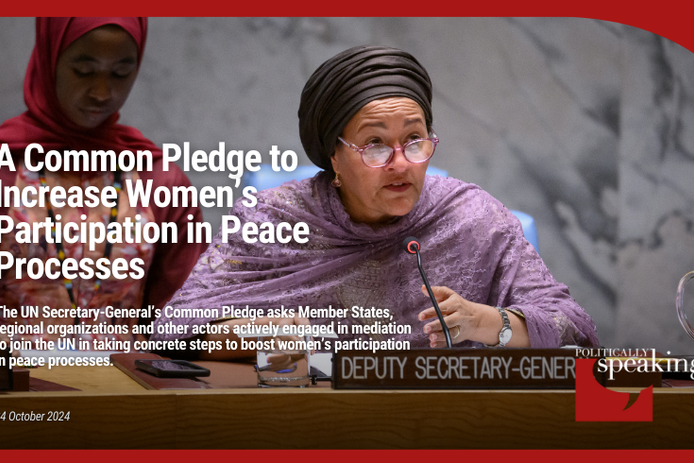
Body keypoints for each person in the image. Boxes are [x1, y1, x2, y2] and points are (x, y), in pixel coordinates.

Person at [151, 45, 599, 358]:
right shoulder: (272, 219)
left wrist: (486, 322)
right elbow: (172, 330)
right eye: (375, 145)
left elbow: (575, 330)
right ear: (333, 156)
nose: (401, 164)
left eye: (415, 140)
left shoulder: (473, 218)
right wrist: (256, 335)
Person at [0, 18, 206, 347]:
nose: (102, 93)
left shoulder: (160, 180)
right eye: (83, 71)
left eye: (121, 74)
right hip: (14, 378)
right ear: (49, 58)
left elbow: (186, 321)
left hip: (125, 379)